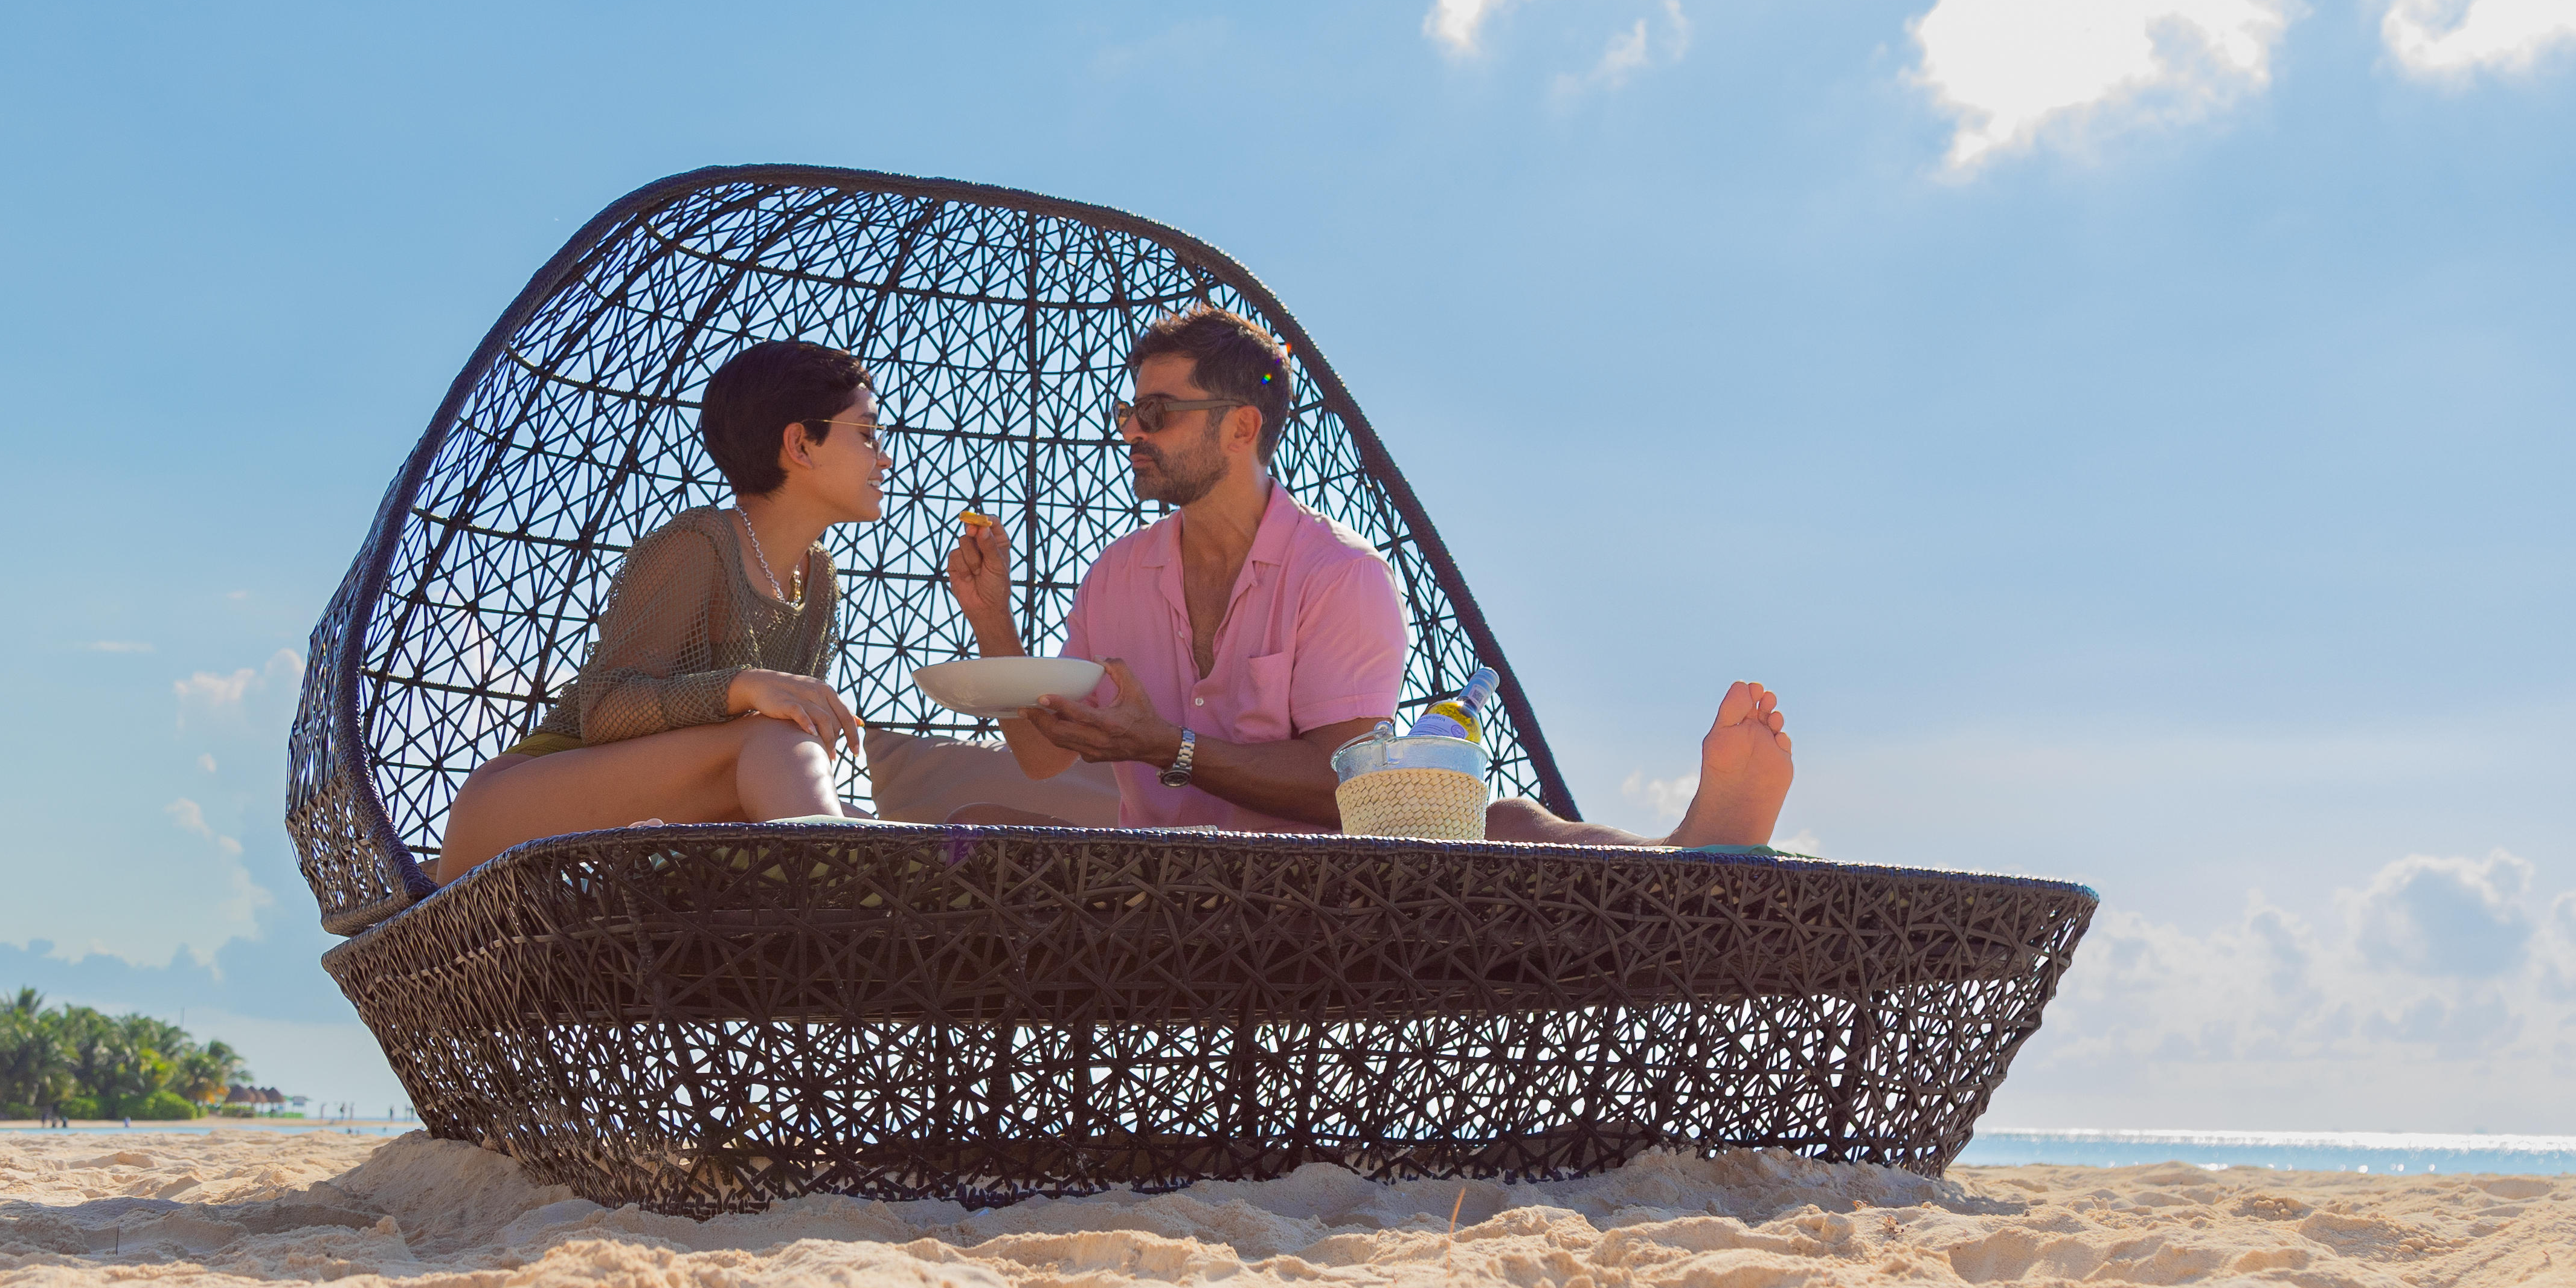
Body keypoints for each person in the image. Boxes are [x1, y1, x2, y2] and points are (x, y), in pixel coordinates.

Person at [942, 306, 1795, 845]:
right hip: (1153, 881)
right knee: (975, 829)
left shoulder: (1339, 575)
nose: (1132, 431)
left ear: (1241, 428)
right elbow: (1042, 756)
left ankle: (1686, 853)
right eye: (1129, 411)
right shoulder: (1115, 576)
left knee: (1499, 824)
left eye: (1156, 414)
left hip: (1317, 889)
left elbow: (1344, 793)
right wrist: (993, 625)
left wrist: (1165, 747)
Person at [429, 339, 886, 880]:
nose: (883, 456)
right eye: (865, 433)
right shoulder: (699, 544)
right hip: (519, 812)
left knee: (884, 837)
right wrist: (741, 685)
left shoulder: (817, 583)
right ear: (800, 445)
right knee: (782, 747)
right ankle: (841, 902)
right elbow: (603, 711)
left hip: (660, 818)